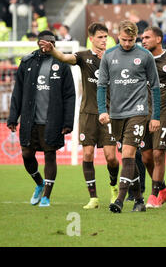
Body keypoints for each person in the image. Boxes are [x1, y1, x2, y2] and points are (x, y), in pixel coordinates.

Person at [39, 23, 120, 209]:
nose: (103, 40)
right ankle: (93, 198)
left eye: (105, 36)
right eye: (100, 37)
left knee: (111, 157)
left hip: (108, 114)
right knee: (88, 154)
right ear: (91, 38)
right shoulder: (83, 56)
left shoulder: (114, 57)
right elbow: (65, 58)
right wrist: (53, 51)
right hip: (87, 113)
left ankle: (114, 187)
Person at [97, 20, 161, 213]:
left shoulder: (145, 55)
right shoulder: (108, 55)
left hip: (138, 112)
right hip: (116, 113)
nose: (127, 43)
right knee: (128, 158)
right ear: (118, 36)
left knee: (128, 154)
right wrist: (102, 110)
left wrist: (155, 115)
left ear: (136, 37)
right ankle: (139, 200)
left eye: (131, 40)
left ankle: (120, 200)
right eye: (124, 39)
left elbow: (155, 87)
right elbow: (101, 86)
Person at [7, 30, 75, 207]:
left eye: (50, 42)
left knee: (50, 155)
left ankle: (46, 196)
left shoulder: (61, 64)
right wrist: (13, 117)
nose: (47, 44)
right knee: (26, 154)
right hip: (30, 119)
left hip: (52, 119)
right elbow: (18, 91)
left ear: (54, 44)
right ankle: (39, 183)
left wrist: (68, 122)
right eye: (44, 41)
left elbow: (69, 95)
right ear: (38, 42)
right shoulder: (27, 62)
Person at [140, 26, 166, 208]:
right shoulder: (140, 58)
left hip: (164, 112)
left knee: (158, 154)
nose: (143, 40)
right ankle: (163, 190)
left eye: (147, 37)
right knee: (146, 157)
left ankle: (154, 196)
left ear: (159, 39)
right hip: (142, 112)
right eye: (142, 38)